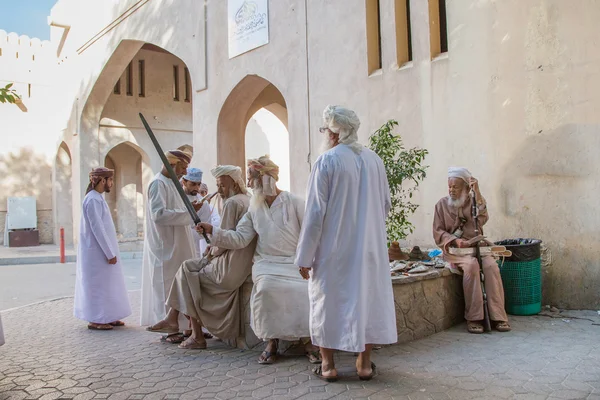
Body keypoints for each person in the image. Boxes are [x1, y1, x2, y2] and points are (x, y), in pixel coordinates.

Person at [296, 105, 397, 381]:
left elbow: (315, 213)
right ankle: (364, 365)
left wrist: (305, 256)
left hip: (334, 249)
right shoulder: (375, 160)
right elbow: (385, 206)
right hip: (369, 248)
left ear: (333, 132)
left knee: (326, 302)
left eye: (325, 129)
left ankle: (328, 366)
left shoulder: (327, 161)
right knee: (366, 299)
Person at [198, 156, 321, 365]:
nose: (247, 184)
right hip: (266, 263)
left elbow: (311, 233)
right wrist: (213, 231)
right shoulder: (254, 208)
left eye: (251, 178)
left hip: (294, 262)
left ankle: (308, 342)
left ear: (265, 178)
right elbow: (239, 238)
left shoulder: (294, 202)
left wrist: (307, 261)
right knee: (265, 289)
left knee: (304, 290)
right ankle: (271, 342)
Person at [146, 165, 256, 350]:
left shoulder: (232, 203)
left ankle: (193, 334)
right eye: (218, 185)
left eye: (222, 186)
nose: (218, 190)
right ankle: (176, 321)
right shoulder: (248, 199)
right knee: (187, 268)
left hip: (231, 265)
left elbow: (226, 241)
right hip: (239, 260)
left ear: (234, 184)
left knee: (187, 272)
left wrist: (211, 250)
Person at [433, 167, 511, 334]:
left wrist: (478, 192)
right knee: (471, 267)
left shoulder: (474, 201)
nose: (452, 190)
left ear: (466, 189)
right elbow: (438, 232)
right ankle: (474, 317)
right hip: (456, 251)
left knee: (491, 266)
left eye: (456, 187)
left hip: (478, 249)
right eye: (450, 187)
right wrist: (455, 240)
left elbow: (483, 218)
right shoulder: (441, 205)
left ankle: (498, 316)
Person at [140, 150, 195, 343]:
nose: (184, 172)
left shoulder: (173, 183)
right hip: (165, 243)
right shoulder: (158, 184)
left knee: (179, 283)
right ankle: (169, 330)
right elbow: (159, 215)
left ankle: (183, 326)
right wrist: (188, 213)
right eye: (183, 167)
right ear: (172, 164)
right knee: (166, 283)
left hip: (179, 240)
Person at [73, 167, 131, 330]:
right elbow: (97, 228)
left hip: (103, 252)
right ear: (103, 180)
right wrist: (109, 252)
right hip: (96, 253)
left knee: (109, 284)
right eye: (110, 180)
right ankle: (96, 319)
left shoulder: (97, 198)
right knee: (97, 285)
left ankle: (109, 315)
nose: (112, 183)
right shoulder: (92, 200)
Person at [181, 168, 219, 258]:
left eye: (199, 184)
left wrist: (198, 231)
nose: (197, 188)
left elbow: (204, 232)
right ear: (184, 182)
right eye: (193, 184)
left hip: (193, 249)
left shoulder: (203, 203)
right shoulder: (176, 198)